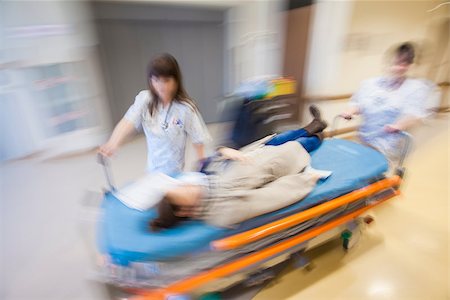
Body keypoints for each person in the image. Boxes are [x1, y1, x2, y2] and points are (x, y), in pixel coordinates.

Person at [150, 106, 329, 229]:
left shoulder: (203, 189)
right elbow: (271, 198)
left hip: (252, 154)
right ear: (184, 211)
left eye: (182, 186)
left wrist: (224, 151)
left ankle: (315, 125)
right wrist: (305, 180)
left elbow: (214, 160)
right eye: (185, 191)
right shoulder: (222, 211)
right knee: (299, 145)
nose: (187, 185)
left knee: (277, 138)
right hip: (276, 163)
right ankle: (320, 135)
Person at [98, 53, 210, 175]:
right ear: (150, 80)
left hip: (175, 172)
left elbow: (198, 138)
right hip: (152, 171)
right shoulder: (144, 100)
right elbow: (128, 121)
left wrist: (202, 163)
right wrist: (113, 143)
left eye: (166, 81)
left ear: (176, 80)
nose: (161, 86)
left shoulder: (186, 108)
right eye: (156, 80)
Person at [340, 42, 434, 161]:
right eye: (397, 63)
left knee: (379, 173)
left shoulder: (415, 88)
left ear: (411, 65)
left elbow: (415, 114)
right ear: (389, 62)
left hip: (390, 147)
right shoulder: (370, 84)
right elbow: (359, 103)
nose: (400, 67)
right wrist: (350, 112)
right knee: (360, 166)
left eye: (405, 64)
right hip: (365, 139)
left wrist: (399, 125)